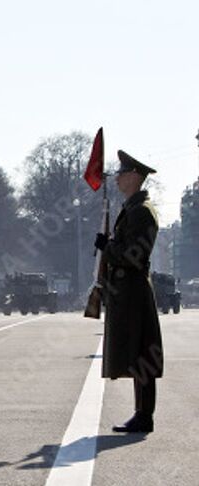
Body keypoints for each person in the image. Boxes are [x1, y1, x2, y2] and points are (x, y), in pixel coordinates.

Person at [94, 150, 163, 434]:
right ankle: (141, 413)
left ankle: (144, 416)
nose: (119, 177)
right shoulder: (133, 209)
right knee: (137, 354)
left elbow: (134, 255)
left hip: (134, 290)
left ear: (135, 176)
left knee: (142, 355)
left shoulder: (142, 212)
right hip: (128, 290)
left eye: (123, 173)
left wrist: (107, 247)